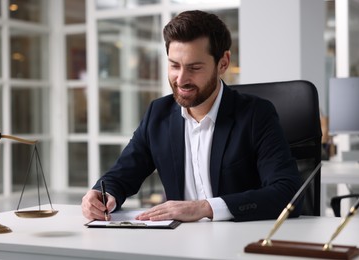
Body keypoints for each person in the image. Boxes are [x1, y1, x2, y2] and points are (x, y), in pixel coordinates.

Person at [81, 10, 302, 222]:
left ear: (223, 63)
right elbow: (121, 176)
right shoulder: (158, 114)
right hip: (178, 243)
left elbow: (288, 193)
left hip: (239, 242)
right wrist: (102, 194)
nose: (181, 79)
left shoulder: (256, 115)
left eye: (194, 68)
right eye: (174, 65)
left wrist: (205, 207)